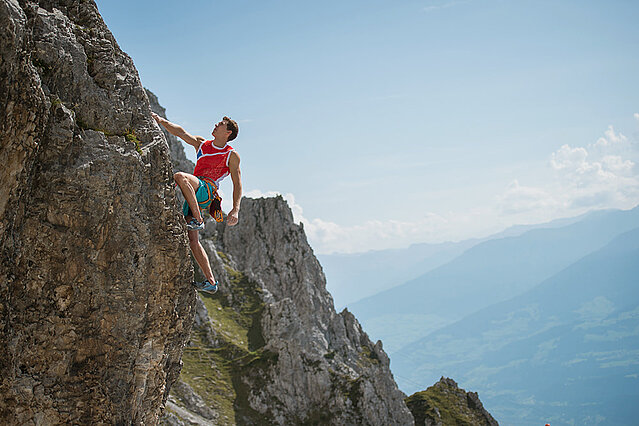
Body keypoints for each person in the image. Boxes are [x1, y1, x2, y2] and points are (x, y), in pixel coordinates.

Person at [152, 112, 242, 294]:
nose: (216, 125)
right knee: (193, 241)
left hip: (207, 189)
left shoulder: (231, 155)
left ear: (228, 133)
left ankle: (199, 219)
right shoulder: (202, 144)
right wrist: (161, 121)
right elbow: (181, 133)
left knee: (180, 176)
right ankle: (211, 281)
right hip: (194, 192)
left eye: (220, 124)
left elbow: (237, 182)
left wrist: (235, 209)